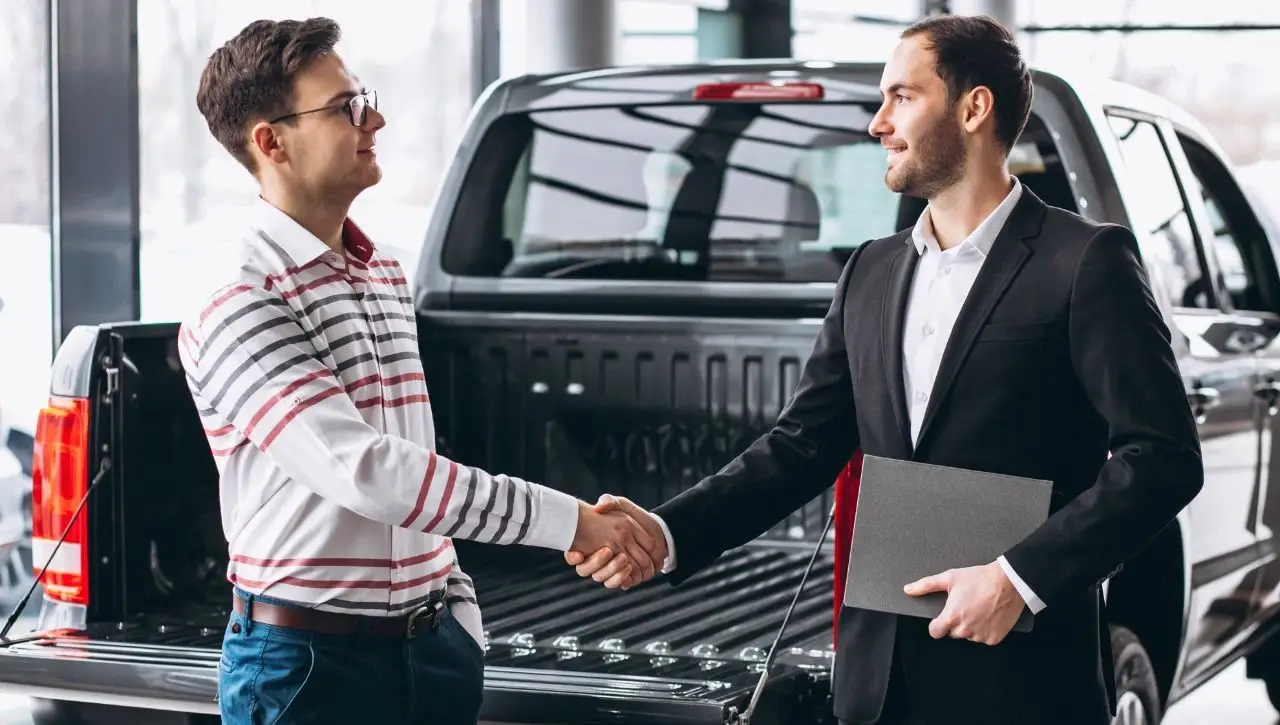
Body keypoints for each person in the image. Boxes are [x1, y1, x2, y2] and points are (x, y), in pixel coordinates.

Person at [566, 13, 1204, 725]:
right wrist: (667, 532)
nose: (878, 123)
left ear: (973, 108)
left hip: (1022, 682)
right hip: (877, 685)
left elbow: (1163, 458)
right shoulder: (870, 269)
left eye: (902, 96)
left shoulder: (1085, 260)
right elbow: (802, 445)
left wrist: (1018, 579)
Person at [180, 17, 660, 725]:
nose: (374, 119)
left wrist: (457, 612)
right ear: (271, 142)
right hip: (306, 668)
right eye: (345, 107)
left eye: (365, 99)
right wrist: (571, 523)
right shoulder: (240, 292)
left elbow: (414, 458)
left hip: (432, 651)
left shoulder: (381, 271)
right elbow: (367, 471)